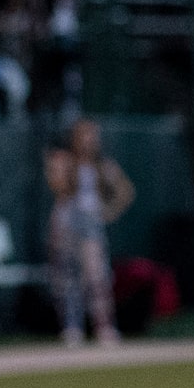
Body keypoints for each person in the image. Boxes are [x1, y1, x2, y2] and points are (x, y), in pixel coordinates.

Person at [44, 118, 133, 347]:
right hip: (67, 223)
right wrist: (58, 168)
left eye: (92, 136)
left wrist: (108, 211)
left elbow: (125, 191)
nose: (89, 141)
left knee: (96, 276)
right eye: (84, 136)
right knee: (67, 277)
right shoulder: (66, 161)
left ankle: (104, 325)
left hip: (90, 222)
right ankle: (72, 327)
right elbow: (58, 186)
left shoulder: (102, 166)